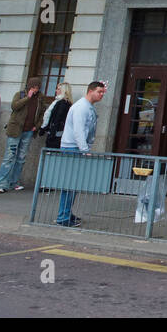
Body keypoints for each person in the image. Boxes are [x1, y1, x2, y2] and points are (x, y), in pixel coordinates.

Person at [56, 81, 107, 227]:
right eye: (99, 91)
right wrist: (85, 150)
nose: (102, 95)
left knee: (73, 184)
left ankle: (66, 214)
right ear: (90, 91)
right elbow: (79, 131)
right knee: (70, 184)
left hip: (74, 148)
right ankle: (63, 217)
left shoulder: (86, 106)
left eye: (103, 92)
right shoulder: (82, 107)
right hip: (72, 148)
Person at [0, 77, 46, 193]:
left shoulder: (40, 98)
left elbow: (42, 113)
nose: (35, 90)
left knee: (21, 158)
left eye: (37, 88)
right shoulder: (20, 94)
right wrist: (27, 98)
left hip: (28, 131)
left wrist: (36, 126)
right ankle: (1, 184)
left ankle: (14, 182)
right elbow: (14, 106)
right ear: (29, 87)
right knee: (9, 157)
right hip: (15, 129)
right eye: (33, 87)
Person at [40, 83, 72, 150]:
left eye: (58, 89)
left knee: (51, 153)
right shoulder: (61, 102)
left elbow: (57, 119)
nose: (56, 91)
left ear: (63, 91)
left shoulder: (62, 103)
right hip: (56, 132)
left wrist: (51, 134)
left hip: (56, 134)